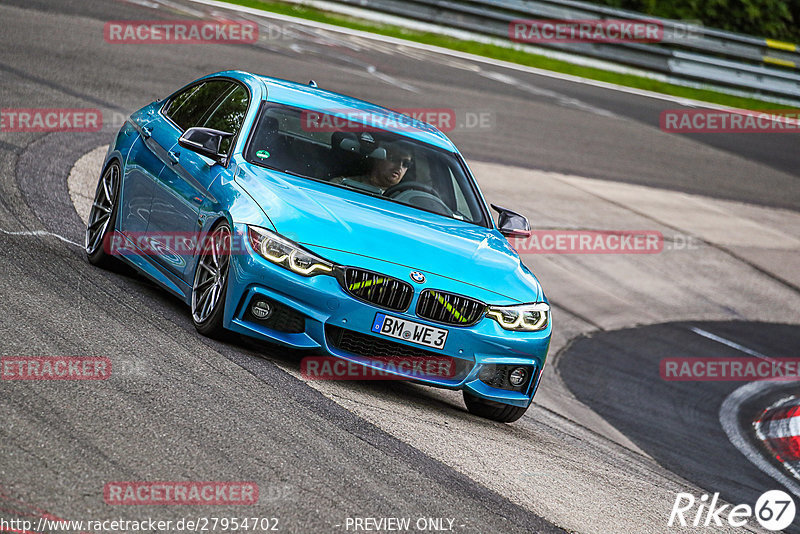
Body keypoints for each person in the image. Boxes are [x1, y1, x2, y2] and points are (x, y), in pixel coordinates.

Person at [333, 140, 414, 193]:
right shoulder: (341, 184)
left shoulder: (404, 199)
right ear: (378, 158)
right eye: (394, 159)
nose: (399, 167)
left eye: (406, 164)